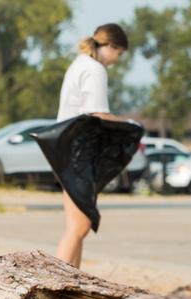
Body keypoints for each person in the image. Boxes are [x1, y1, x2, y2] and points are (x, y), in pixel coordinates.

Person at [53, 24, 138, 268]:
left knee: (75, 225)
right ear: (110, 46)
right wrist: (132, 124)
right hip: (77, 152)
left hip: (64, 149)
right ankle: (53, 285)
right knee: (80, 226)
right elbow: (98, 114)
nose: (117, 60)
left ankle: (71, 285)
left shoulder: (79, 64)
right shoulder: (94, 69)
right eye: (119, 54)